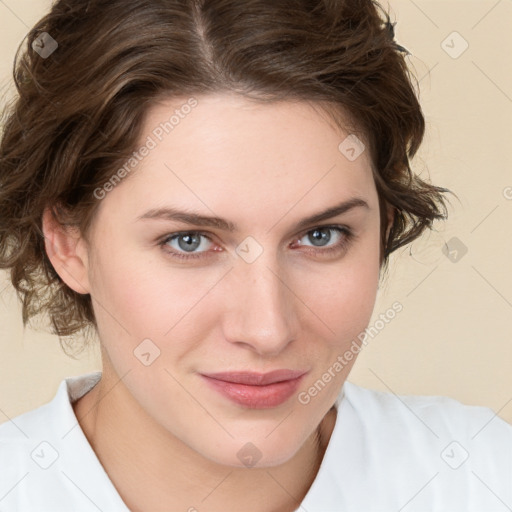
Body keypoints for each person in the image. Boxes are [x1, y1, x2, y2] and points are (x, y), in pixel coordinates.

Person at [0, 0, 510, 511]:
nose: (268, 330)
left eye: (320, 236)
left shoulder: (481, 478)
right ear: (68, 243)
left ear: (384, 227)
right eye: (189, 241)